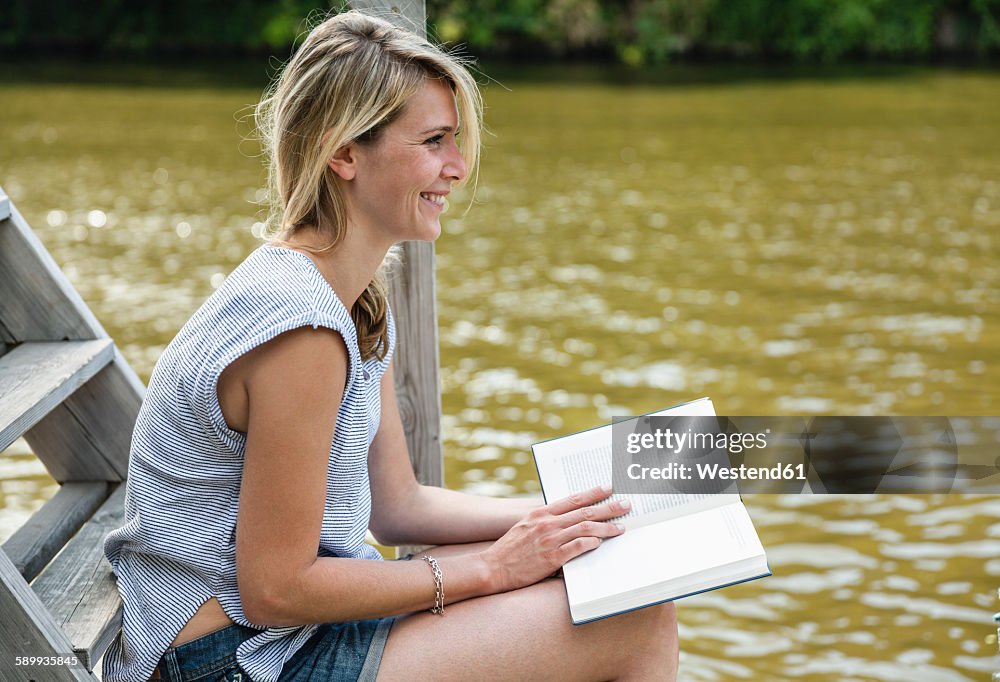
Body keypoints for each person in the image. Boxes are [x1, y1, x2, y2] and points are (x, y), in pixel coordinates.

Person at [102, 10, 679, 682]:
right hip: (233, 661)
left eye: (454, 141)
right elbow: (275, 589)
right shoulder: (300, 330)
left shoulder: (353, 300)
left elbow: (398, 507)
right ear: (342, 152)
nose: (458, 168)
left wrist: (582, 517)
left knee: (608, 577)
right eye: (433, 141)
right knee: (637, 624)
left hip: (284, 637)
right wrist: (493, 567)